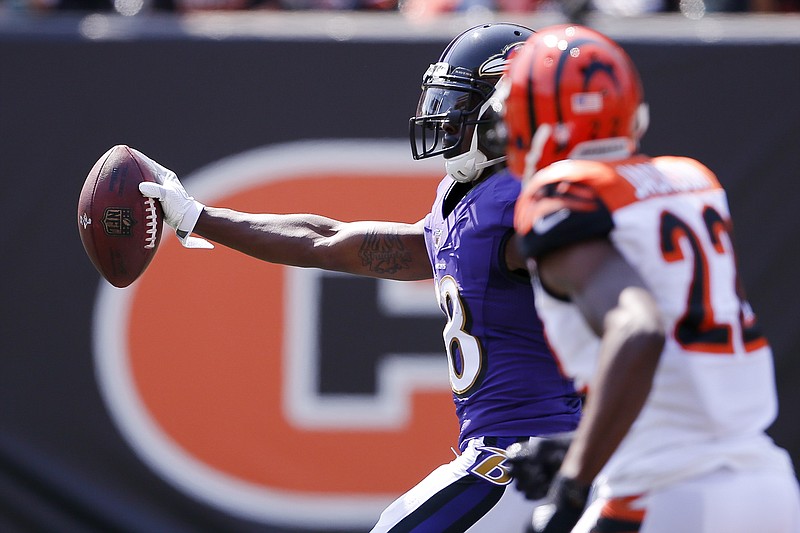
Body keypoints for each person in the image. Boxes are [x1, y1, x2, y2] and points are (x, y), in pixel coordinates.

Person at [136, 22, 582, 532]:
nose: (444, 116)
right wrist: (197, 216)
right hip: (521, 458)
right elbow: (329, 240)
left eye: (462, 103)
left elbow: (615, 297)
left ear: (510, 111)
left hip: (524, 461)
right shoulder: (468, 202)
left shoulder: (529, 201)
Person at [499, 24, 800, 532]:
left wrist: (572, 486)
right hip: (766, 482)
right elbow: (683, 388)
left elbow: (638, 330)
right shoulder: (688, 180)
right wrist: (582, 443)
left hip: (664, 494)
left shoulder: (564, 195)